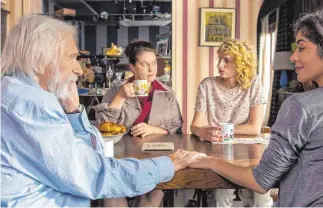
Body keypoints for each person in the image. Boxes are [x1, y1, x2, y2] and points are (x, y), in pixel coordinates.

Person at [0, 15, 205, 207]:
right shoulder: (32, 105)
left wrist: (73, 112)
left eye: (154, 64)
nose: (79, 69)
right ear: (39, 60)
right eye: (72, 57)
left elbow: (89, 159)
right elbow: (96, 173)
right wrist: (169, 163)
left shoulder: (20, 93)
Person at [189, 9, 323, 206]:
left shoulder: (301, 105)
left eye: (301, 48)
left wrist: (210, 161)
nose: (293, 57)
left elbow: (260, 180)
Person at [190, 39, 272, 207]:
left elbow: (254, 128)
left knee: (261, 197)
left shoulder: (254, 83)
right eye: (220, 59)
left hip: (249, 153)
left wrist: (223, 129)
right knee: (221, 198)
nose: (220, 64)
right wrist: (203, 132)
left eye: (227, 60)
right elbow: (195, 126)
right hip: (220, 152)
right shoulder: (207, 85)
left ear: (241, 63)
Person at [94, 41, 182, 137]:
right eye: (144, 64)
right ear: (132, 67)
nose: (151, 69)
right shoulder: (116, 89)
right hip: (123, 148)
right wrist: (120, 96)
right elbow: (102, 126)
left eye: (154, 63)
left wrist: (152, 129)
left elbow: (176, 127)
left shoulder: (168, 93)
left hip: (157, 148)